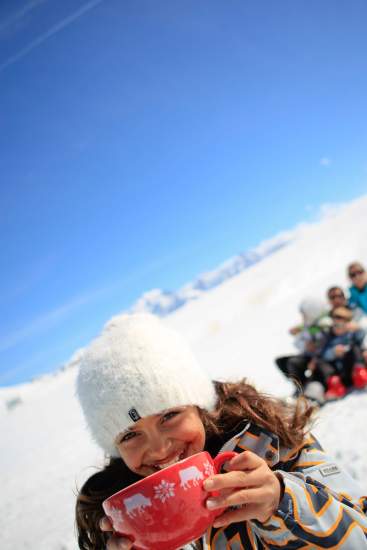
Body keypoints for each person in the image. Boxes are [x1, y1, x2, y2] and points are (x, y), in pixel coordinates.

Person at [75, 313, 367, 550]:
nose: (160, 449)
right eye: (129, 434)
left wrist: (282, 501)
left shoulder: (276, 442)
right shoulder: (131, 509)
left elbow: (360, 535)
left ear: (199, 406)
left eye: (169, 415)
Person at [275, 297, 329, 395]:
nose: (303, 316)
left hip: (320, 357)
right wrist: (305, 345)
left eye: (304, 313)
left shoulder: (324, 324)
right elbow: (297, 342)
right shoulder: (308, 325)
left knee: (293, 363)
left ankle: (305, 388)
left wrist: (315, 352)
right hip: (308, 355)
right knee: (281, 361)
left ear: (312, 312)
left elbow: (327, 342)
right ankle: (300, 386)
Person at [316, 306, 367, 399]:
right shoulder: (329, 338)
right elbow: (323, 355)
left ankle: (360, 374)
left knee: (355, 348)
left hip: (352, 369)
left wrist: (358, 328)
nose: (338, 328)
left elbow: (361, 337)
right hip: (340, 373)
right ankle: (335, 384)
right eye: (335, 325)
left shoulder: (351, 334)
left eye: (341, 325)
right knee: (320, 362)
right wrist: (333, 352)